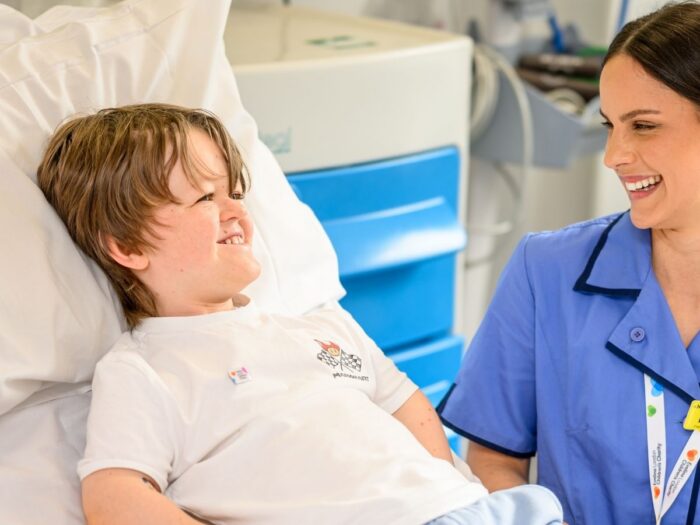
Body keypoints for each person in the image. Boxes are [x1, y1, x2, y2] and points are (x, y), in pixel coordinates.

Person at [37, 103, 562, 525]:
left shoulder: (319, 325)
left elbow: (407, 405)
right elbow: (113, 497)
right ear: (127, 247)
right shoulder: (146, 370)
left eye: (235, 192)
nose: (237, 211)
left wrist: (449, 487)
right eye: (203, 197)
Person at [438, 2, 700, 524]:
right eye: (609, 125)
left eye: (643, 126)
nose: (614, 155)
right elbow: (492, 458)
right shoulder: (549, 273)